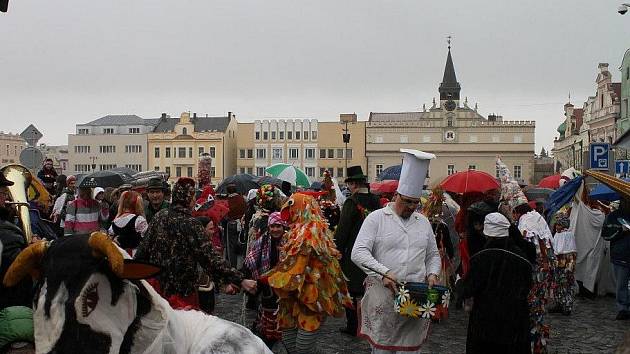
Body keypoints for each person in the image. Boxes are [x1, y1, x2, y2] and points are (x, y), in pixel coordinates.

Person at [351, 149, 441, 353]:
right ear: (396, 195)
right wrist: (384, 273)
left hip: (415, 302)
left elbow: (433, 255)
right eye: (407, 201)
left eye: (415, 202)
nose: (411, 206)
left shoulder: (423, 222)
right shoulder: (376, 219)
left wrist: (433, 273)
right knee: (383, 349)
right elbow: (358, 253)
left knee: (410, 350)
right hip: (383, 300)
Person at [134, 177, 257, 310]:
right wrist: (240, 280)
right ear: (187, 199)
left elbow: (142, 251)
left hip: (158, 289)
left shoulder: (159, 217)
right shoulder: (191, 223)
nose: (194, 200)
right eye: (192, 196)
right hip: (182, 292)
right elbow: (209, 257)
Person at [267, 193, 352, 354]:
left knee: (303, 346)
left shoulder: (310, 231)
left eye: (291, 208)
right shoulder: (295, 230)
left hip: (311, 297)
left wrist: (273, 278)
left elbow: (299, 264)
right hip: (292, 297)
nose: (289, 213)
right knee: (290, 341)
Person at [464, 213, 532, 354]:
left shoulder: (481, 258)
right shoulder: (522, 258)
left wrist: (459, 284)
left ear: (487, 234)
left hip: (486, 323)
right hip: (515, 323)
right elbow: (528, 285)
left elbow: (469, 288)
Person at [334, 165, 381, 336]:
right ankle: (371, 323)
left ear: (354, 184)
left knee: (352, 291)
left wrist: (336, 250)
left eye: (349, 185)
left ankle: (353, 326)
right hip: (375, 252)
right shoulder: (376, 201)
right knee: (371, 288)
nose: (348, 188)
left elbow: (342, 231)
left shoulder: (352, 202)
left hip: (354, 254)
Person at [512, 199, 556, 354]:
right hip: (542, 271)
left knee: (531, 307)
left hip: (533, 272)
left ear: (517, 212)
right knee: (537, 309)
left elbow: (528, 248)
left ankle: (530, 344)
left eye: (514, 214)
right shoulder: (537, 218)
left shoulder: (526, 223)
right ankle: (536, 343)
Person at [243, 212, 287, 347]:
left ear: (283, 226)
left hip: (285, 290)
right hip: (268, 290)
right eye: (272, 226)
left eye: (278, 226)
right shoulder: (262, 241)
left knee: (285, 326)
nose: (275, 229)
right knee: (267, 329)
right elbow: (250, 260)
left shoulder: (290, 241)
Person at [602, 198, 630, 320]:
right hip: (620, 255)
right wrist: (621, 230)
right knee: (621, 284)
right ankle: (623, 308)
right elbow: (606, 234)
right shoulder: (613, 216)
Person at [550, 214, 577, 315]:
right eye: (556, 225)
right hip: (557, 264)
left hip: (565, 265)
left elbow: (570, 252)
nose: (557, 227)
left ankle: (567, 306)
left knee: (566, 286)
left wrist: (568, 266)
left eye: (559, 225)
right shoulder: (557, 234)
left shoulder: (568, 235)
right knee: (557, 285)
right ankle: (559, 303)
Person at [224, 183, 247, 268]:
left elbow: (225, 214)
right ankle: (241, 264)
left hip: (231, 224)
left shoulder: (226, 201)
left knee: (231, 246)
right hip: (241, 223)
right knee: (241, 243)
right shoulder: (242, 199)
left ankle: (232, 265)